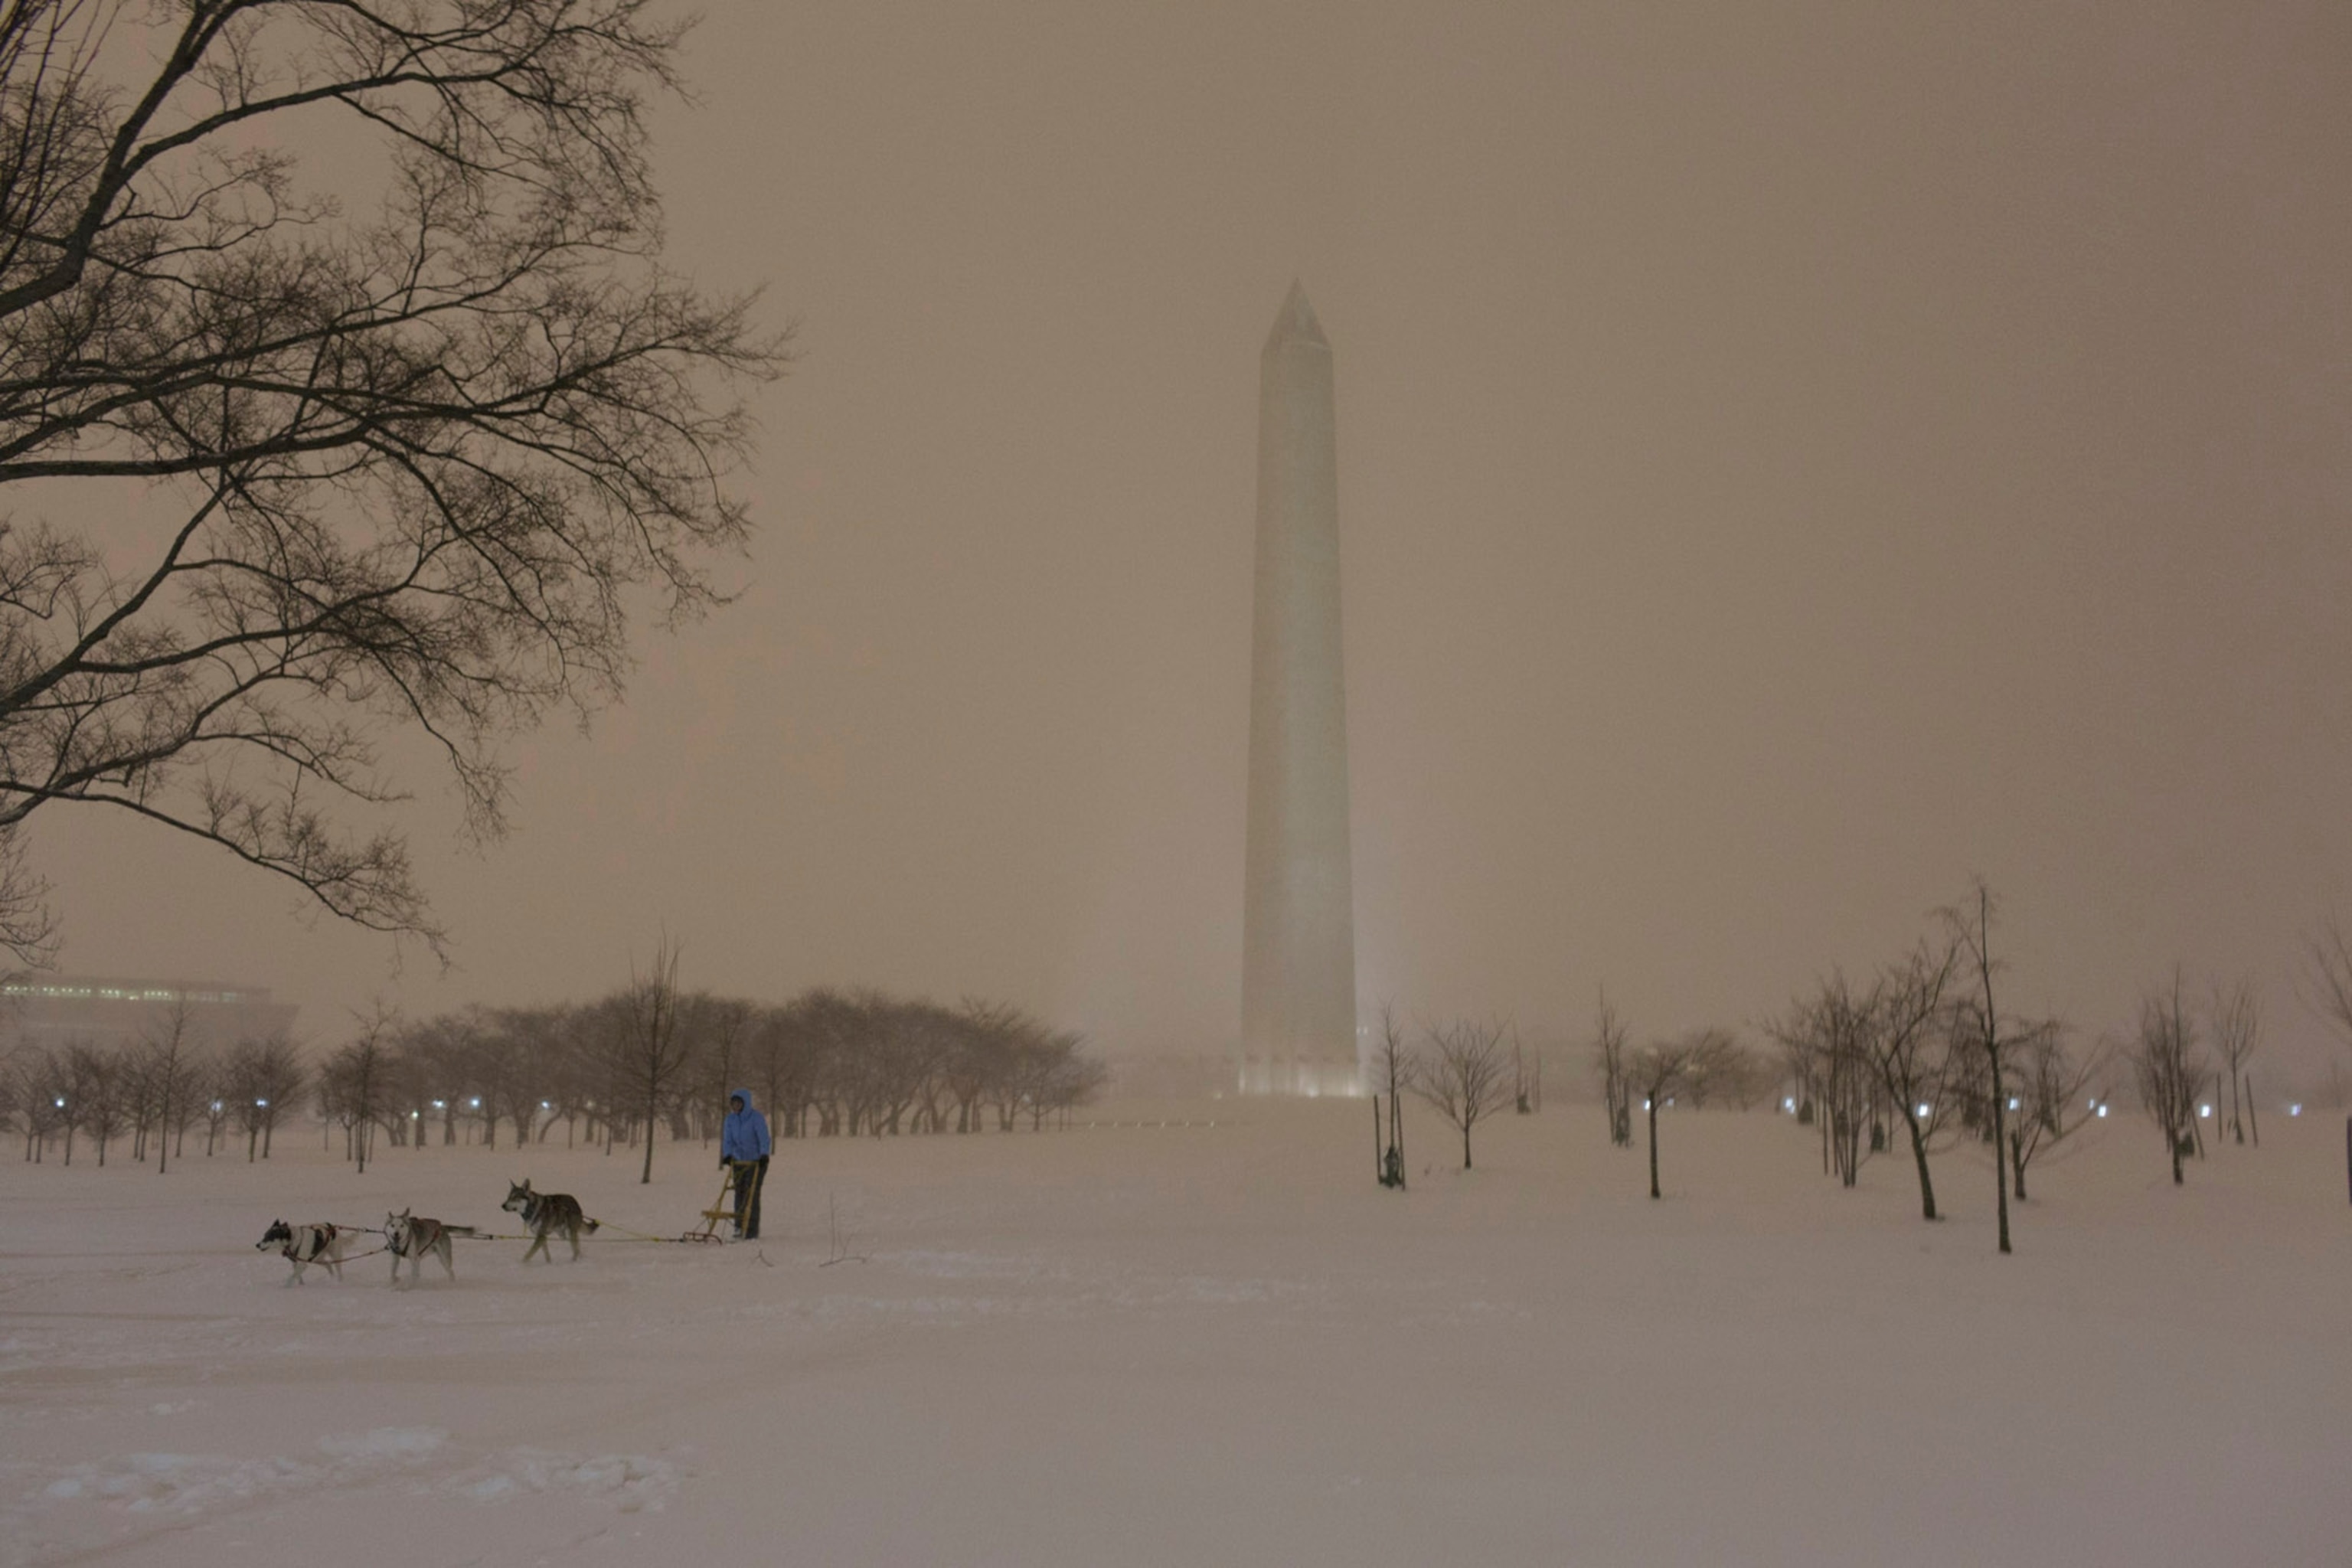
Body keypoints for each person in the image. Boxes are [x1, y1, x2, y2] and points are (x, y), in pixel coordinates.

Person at [720, 1089, 772, 1240]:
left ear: (745, 1103)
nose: (735, 1106)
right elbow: (727, 1139)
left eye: (738, 1103)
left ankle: (751, 1229)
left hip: (756, 1162)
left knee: (752, 1194)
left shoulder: (756, 1118)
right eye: (733, 1103)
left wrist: (764, 1154)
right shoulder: (730, 1120)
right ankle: (738, 1225)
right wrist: (727, 1154)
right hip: (739, 1161)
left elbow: (763, 1138)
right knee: (739, 1192)